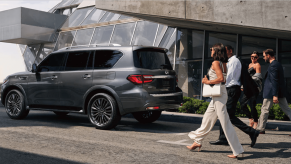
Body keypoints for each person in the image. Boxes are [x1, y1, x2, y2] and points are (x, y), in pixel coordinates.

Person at [186, 43, 244, 159]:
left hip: (219, 96)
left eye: (212, 49)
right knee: (207, 119)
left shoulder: (216, 63)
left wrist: (207, 82)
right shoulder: (224, 63)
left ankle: (238, 151)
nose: (210, 51)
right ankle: (197, 141)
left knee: (226, 123)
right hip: (219, 94)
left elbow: (221, 79)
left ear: (216, 51)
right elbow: (224, 78)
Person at [209, 45, 260, 147]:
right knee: (223, 114)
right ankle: (223, 138)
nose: (223, 52)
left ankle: (251, 131)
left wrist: (216, 81)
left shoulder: (233, 61)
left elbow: (228, 77)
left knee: (228, 115)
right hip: (231, 89)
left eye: (225, 51)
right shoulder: (230, 61)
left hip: (232, 89)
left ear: (230, 51)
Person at [256, 49, 291, 134]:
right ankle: (260, 128)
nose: (263, 58)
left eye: (264, 56)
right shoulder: (277, 64)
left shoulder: (273, 65)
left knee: (264, 110)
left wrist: (275, 95)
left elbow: (274, 80)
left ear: (268, 55)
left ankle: (260, 129)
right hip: (278, 92)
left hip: (272, 93)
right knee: (287, 110)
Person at [240, 51, 262, 129]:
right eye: (252, 57)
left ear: (258, 58)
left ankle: (256, 121)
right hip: (247, 87)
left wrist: (249, 81)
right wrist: (243, 85)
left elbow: (258, 77)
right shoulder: (249, 65)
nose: (253, 58)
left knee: (252, 105)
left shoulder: (257, 65)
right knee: (242, 103)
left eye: (255, 57)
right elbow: (246, 77)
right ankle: (250, 119)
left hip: (254, 87)